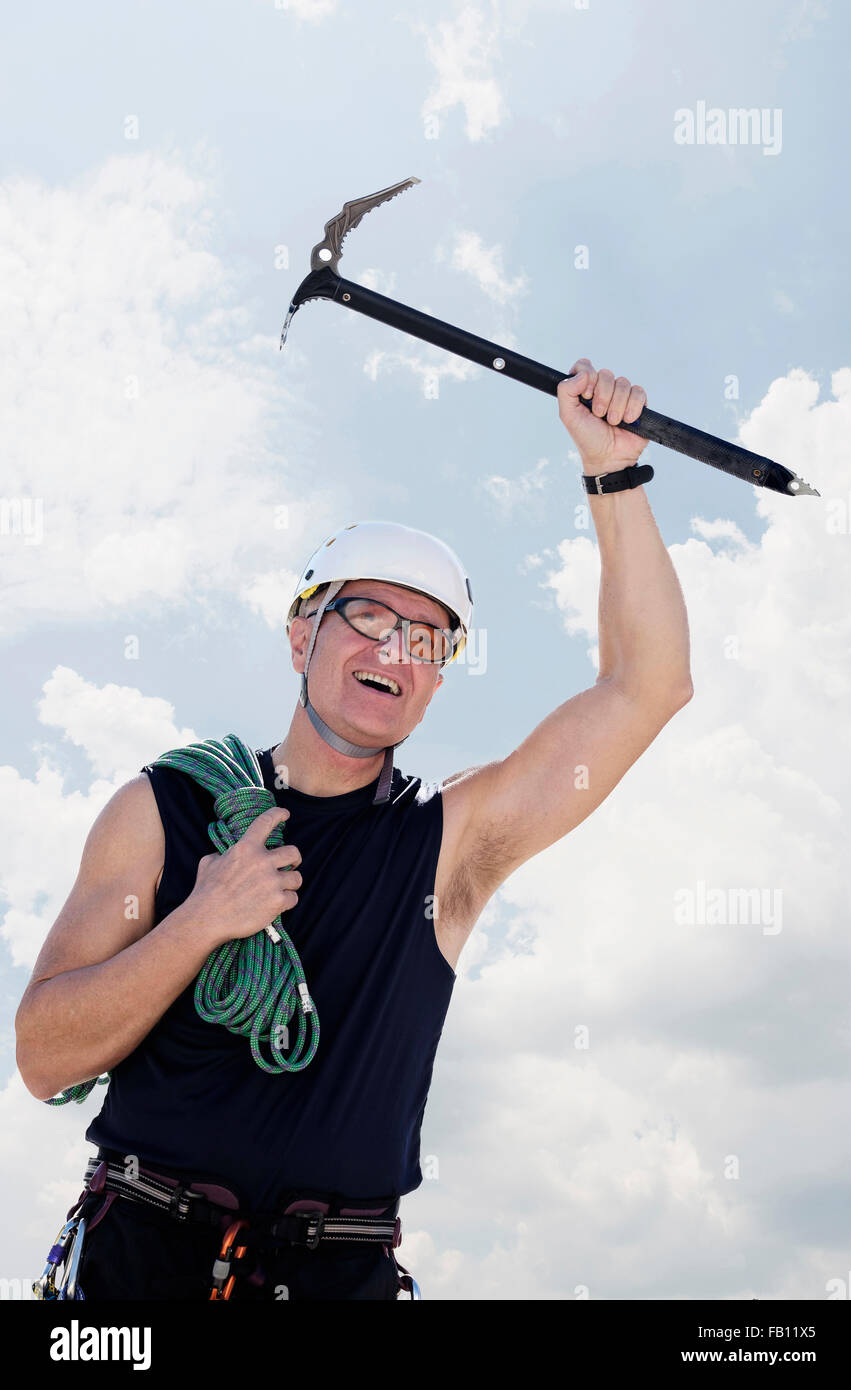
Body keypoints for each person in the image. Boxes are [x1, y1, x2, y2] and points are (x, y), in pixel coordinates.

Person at [16, 359, 693, 1300]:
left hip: (338, 1277)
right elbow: (44, 1057)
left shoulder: (444, 844)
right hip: (140, 1265)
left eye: (427, 640)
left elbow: (647, 686)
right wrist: (203, 920)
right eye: (369, 618)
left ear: (438, 680)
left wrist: (614, 474)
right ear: (302, 638)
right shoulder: (164, 812)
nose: (395, 652)